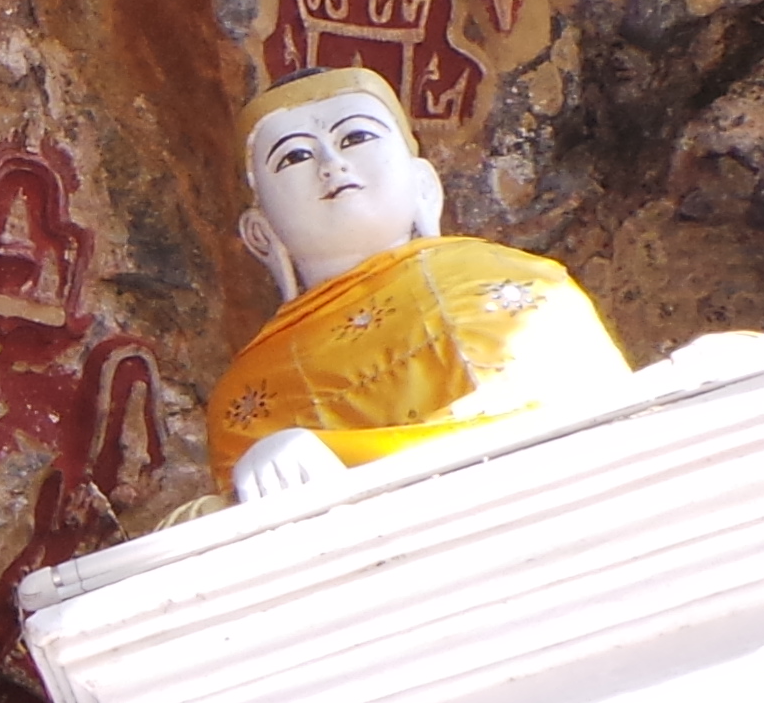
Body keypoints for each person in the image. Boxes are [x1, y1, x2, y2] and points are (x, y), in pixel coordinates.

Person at [198, 66, 636, 507]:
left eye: (356, 138)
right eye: (294, 157)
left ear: (423, 184)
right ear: (261, 233)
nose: (332, 165)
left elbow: (558, 422)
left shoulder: (512, 279)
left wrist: (336, 456)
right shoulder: (249, 389)